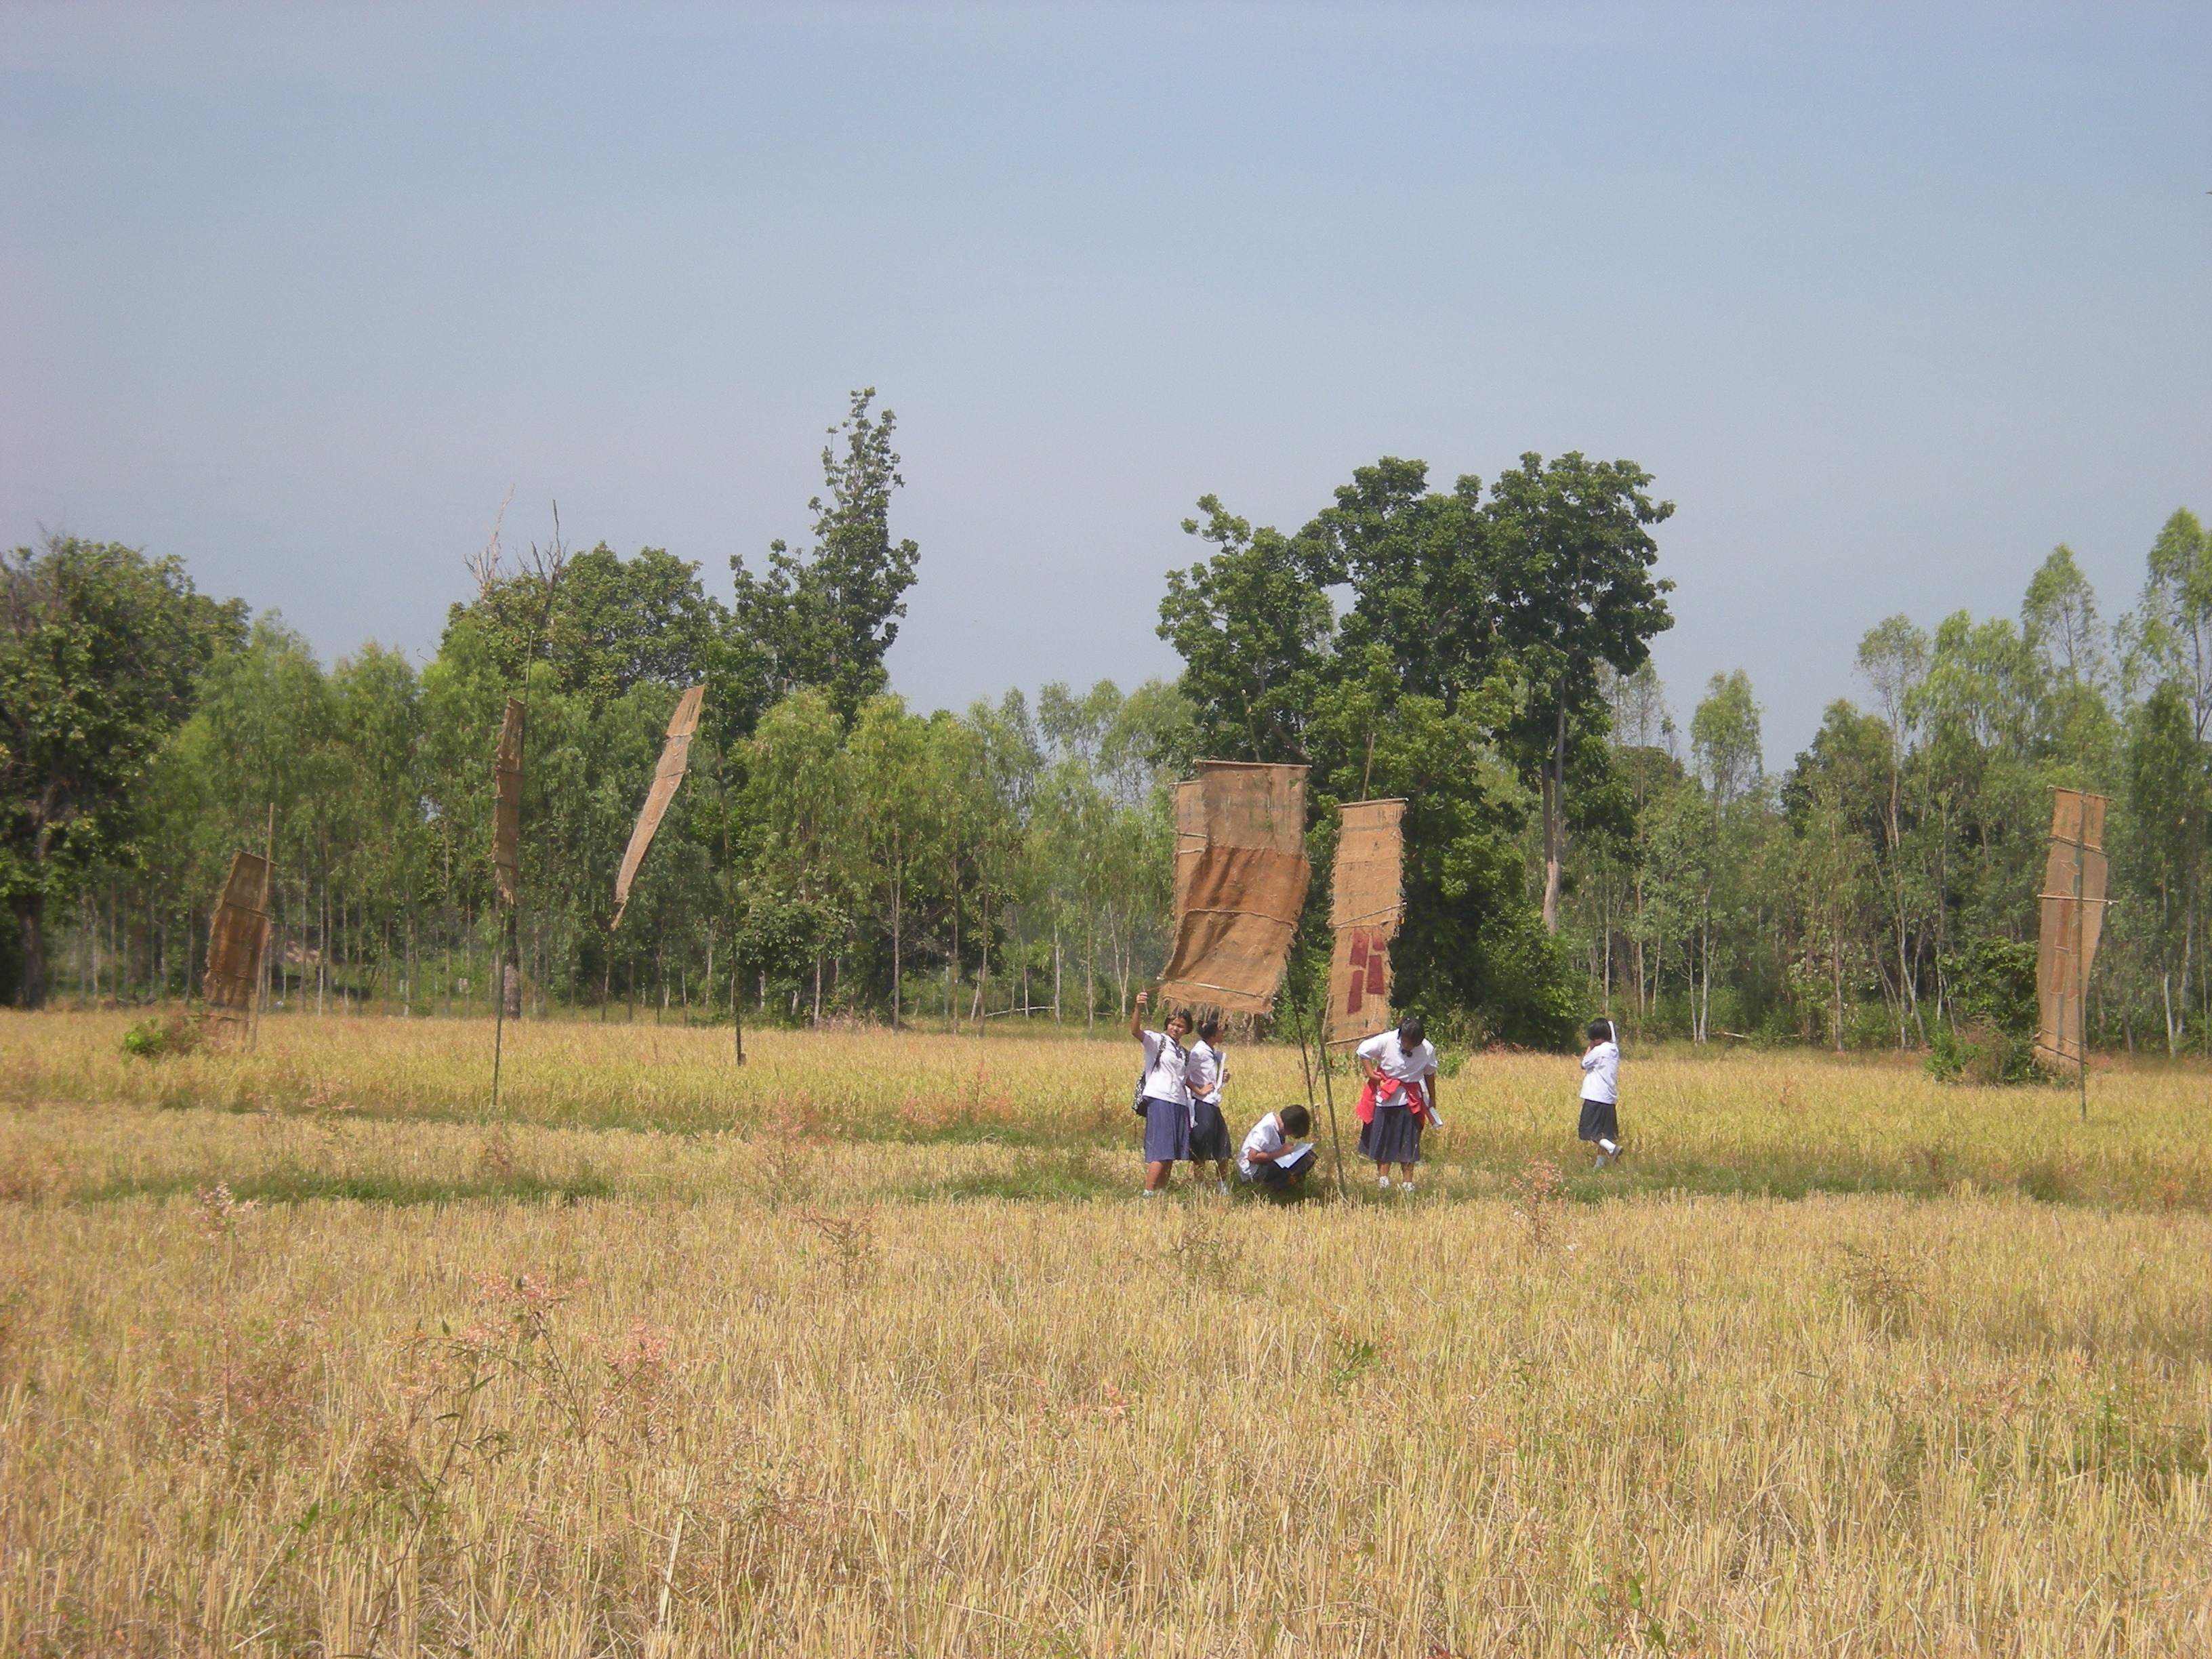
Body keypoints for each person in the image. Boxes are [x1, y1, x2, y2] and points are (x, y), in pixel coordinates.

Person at [1355, 1016, 1439, 1195]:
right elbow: (1363, 1051)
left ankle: (1408, 1183)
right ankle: (1383, 1179)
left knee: (1409, 1141)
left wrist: (1432, 1098)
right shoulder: (1386, 1040)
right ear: (1401, 1035)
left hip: (1411, 1100)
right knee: (1384, 1138)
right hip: (1386, 1096)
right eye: (1407, 1042)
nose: (1409, 1047)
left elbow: (1430, 1073)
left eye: (1414, 1044)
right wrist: (1371, 1074)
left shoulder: (1427, 1049)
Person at [1129, 991, 1192, 1196]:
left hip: (1179, 1102)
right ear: (1167, 1024)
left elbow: (1186, 1079)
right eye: (1173, 1024)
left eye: (1181, 1026)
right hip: (1160, 1099)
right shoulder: (1158, 1041)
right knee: (1161, 1148)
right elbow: (1135, 1031)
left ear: (1187, 1030)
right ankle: (1148, 1193)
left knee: (1172, 1151)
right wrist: (1138, 1007)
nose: (1176, 1028)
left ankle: (1161, 1192)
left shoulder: (1183, 1052)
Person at [1184, 1015, 1233, 1193]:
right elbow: (1184, 1074)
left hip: (1213, 1103)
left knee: (1223, 1144)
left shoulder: (1212, 1052)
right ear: (1213, 1032)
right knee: (1202, 1145)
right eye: (1221, 1029)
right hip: (1202, 1104)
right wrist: (1199, 1090)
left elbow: (1210, 1079)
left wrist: (1223, 1080)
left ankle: (1223, 1186)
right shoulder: (1199, 1052)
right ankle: (1199, 1186)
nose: (1223, 1033)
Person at [1237, 1103, 1316, 1194]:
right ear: (1290, 1128)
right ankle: (1271, 1189)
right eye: (1291, 1133)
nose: (1288, 1135)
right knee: (1304, 1162)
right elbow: (1252, 1157)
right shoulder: (1267, 1128)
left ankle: (1286, 1187)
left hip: (1265, 1164)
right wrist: (1282, 1153)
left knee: (1309, 1156)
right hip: (1253, 1171)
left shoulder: (1277, 1127)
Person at [1578, 1017, 1624, 1168]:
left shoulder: (1598, 1051)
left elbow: (1584, 1064)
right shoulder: (1614, 1050)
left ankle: (1612, 1149)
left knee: (1589, 1131)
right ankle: (1599, 1166)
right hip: (1609, 1098)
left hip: (1594, 1096)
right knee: (1605, 1133)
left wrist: (1591, 1046)